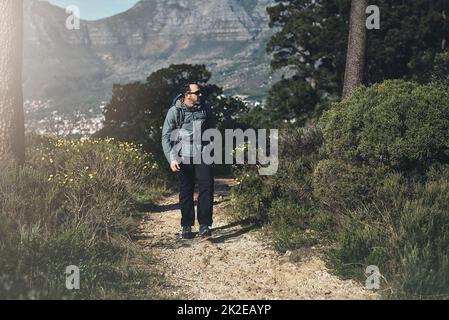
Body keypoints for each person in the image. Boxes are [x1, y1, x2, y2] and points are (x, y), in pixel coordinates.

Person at [161, 83, 216, 239]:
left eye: (200, 93)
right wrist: (171, 159)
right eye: (197, 93)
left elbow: (212, 127)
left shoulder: (205, 107)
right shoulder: (175, 112)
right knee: (187, 189)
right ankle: (186, 226)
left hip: (204, 152)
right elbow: (165, 137)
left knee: (207, 186)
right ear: (187, 95)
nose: (200, 95)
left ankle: (205, 225)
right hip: (183, 153)